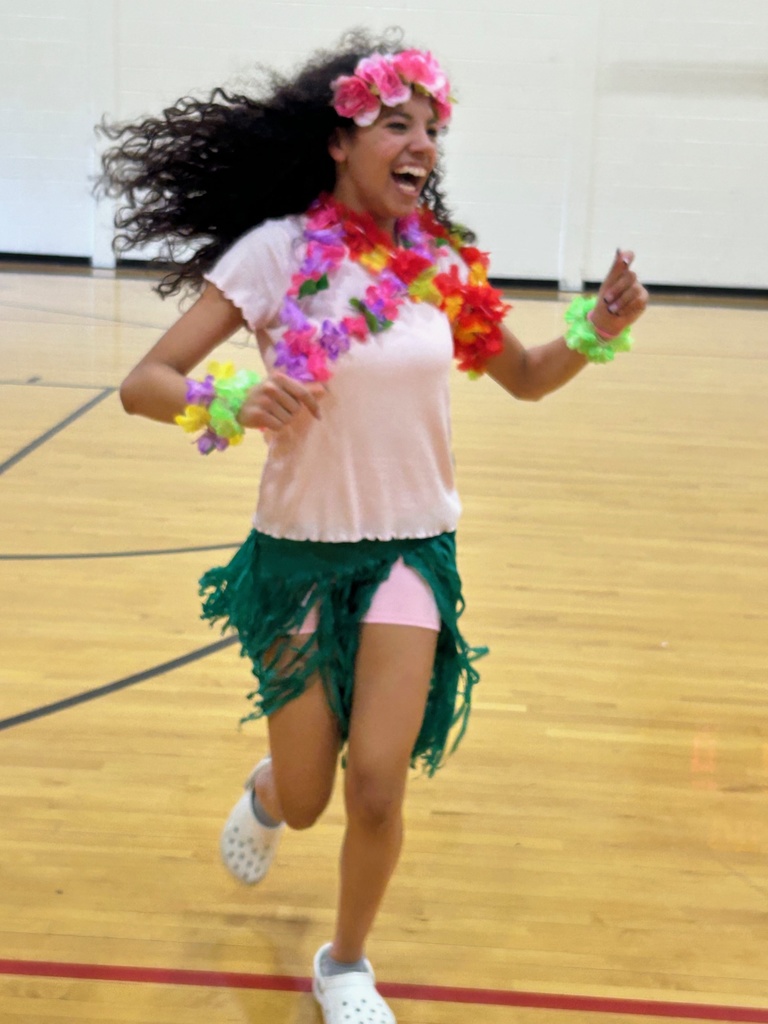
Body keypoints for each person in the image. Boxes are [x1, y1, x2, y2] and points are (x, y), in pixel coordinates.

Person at [99, 28, 648, 1024]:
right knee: (312, 795)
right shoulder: (274, 257)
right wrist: (227, 403)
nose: (424, 146)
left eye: (432, 130)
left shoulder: (438, 264)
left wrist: (595, 331)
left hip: (410, 551)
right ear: (340, 142)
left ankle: (345, 961)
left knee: (381, 785)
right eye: (400, 125)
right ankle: (271, 794)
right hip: (299, 557)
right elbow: (144, 382)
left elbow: (521, 377)